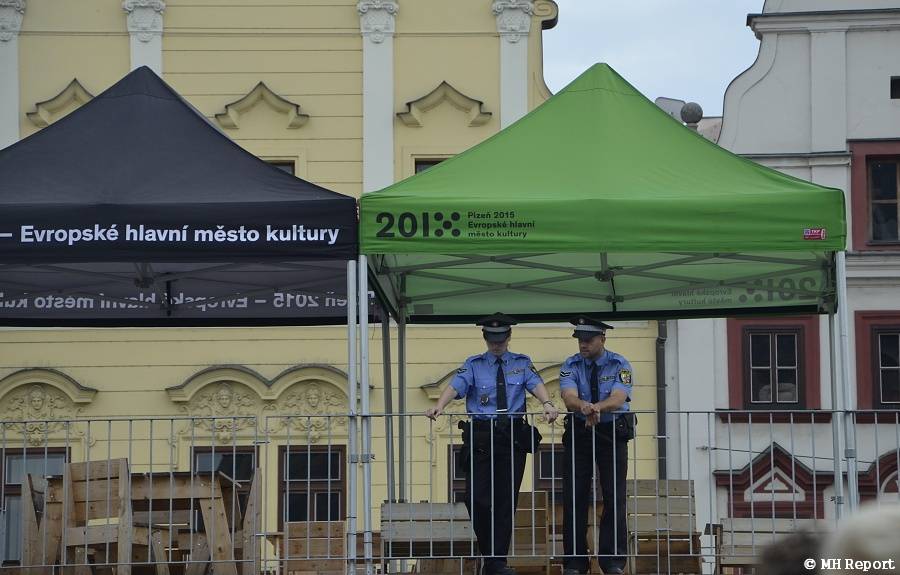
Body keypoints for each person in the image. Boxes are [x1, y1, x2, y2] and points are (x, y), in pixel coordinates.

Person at [426, 312, 559, 575]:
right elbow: (456, 385)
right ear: (485, 338)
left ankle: (496, 562)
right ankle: (489, 554)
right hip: (482, 437)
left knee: (505, 500)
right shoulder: (474, 364)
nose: (495, 344)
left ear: (508, 337)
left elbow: (536, 384)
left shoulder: (522, 363)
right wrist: (439, 406)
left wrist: (547, 403)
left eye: (500, 338)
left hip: (511, 436)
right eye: (490, 338)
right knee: (475, 498)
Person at [559, 316, 635, 575]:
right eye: (580, 340)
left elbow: (618, 397)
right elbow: (568, 395)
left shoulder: (619, 363)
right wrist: (583, 406)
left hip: (612, 431)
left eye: (588, 340)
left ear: (602, 338)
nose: (583, 344)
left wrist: (596, 408)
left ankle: (612, 561)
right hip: (580, 432)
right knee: (574, 496)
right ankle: (574, 562)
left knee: (614, 496)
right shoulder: (570, 364)